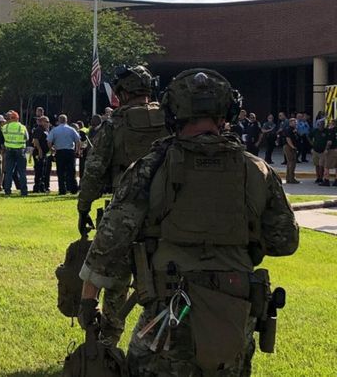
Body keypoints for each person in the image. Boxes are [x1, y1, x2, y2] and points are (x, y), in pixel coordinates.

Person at [78, 68, 299, 376]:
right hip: (234, 312)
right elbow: (285, 241)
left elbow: (108, 243)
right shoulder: (257, 170)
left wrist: (88, 302)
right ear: (228, 113)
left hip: (169, 311)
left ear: (172, 112)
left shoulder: (150, 168)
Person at [76, 65, 168, 344]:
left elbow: (94, 170)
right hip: (168, 212)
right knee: (165, 278)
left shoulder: (115, 124)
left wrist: (83, 207)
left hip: (125, 209)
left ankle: (108, 342)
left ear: (122, 93)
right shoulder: (170, 120)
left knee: (115, 278)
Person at [47, 114, 81, 195]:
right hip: (70, 152)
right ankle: (73, 189)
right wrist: (77, 150)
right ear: (66, 120)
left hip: (60, 152)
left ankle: (62, 190)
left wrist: (52, 149)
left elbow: (49, 141)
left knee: (60, 172)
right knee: (71, 171)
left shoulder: (55, 130)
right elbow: (78, 140)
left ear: (59, 120)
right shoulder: (71, 129)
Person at [2, 110, 29, 196]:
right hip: (20, 150)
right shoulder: (22, 127)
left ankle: (7, 190)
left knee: (9, 171)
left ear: (10, 118)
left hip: (9, 150)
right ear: (17, 118)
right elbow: (27, 138)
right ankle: (24, 191)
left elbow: (3, 137)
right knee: (22, 172)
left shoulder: (5, 127)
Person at [31, 115, 51, 193]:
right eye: (46, 122)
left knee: (43, 170)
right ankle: (37, 187)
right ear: (42, 122)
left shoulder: (45, 130)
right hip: (39, 152)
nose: (48, 123)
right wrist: (39, 150)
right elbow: (35, 140)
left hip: (44, 153)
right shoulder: (39, 129)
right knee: (39, 170)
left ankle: (42, 187)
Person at [281, 118, 299, 184]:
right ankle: (291, 178)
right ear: (290, 122)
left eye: (296, 122)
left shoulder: (293, 129)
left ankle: (289, 178)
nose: (296, 124)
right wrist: (293, 147)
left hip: (291, 147)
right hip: (289, 147)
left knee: (290, 163)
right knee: (291, 162)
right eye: (294, 122)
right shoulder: (288, 129)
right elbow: (288, 139)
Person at [310, 119, 328, 184]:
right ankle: (318, 178)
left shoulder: (326, 131)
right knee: (316, 165)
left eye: (322, 125)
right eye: (320, 125)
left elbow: (328, 141)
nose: (321, 126)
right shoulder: (315, 131)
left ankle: (321, 177)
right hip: (315, 150)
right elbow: (309, 136)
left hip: (322, 151)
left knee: (321, 166)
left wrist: (326, 149)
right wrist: (312, 144)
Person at [320, 119, 337, 186]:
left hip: (332, 150)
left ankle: (326, 180)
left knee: (327, 166)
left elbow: (329, 142)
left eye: (330, 123)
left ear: (333, 124)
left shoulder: (331, 131)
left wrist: (326, 149)